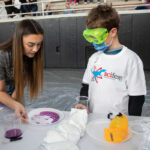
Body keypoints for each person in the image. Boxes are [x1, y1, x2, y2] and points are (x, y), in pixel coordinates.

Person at [75, 4, 146, 116]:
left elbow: (137, 98)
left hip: (118, 123)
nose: (94, 41)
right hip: (93, 119)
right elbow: (86, 86)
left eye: (97, 36)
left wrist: (132, 124)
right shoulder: (94, 58)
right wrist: (83, 105)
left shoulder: (131, 60)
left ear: (113, 32)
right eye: (91, 36)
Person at [0, 19, 44, 122]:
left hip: (14, 89)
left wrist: (16, 96)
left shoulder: (29, 54)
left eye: (39, 44)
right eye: (31, 45)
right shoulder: (2, 56)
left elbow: (23, 78)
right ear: (19, 41)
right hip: (2, 92)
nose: (36, 50)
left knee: (20, 124)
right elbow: (0, 91)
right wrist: (14, 104)